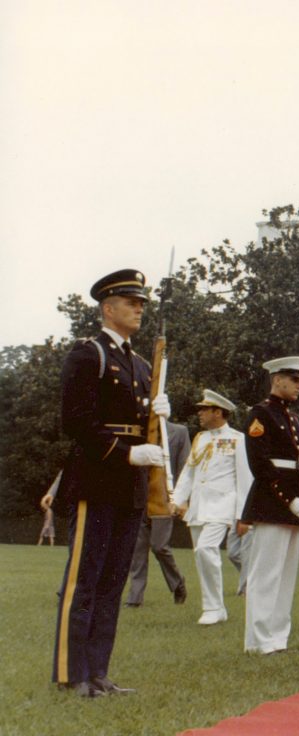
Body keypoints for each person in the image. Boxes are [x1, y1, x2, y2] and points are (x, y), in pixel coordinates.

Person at [52, 269, 171, 697]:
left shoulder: (140, 365)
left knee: (112, 581)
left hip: (129, 485)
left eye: (141, 302)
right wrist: (126, 452)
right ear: (108, 307)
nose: (139, 308)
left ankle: (98, 671)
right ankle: (72, 673)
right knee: (85, 579)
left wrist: (158, 416)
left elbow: (144, 429)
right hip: (98, 479)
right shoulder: (90, 355)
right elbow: (76, 422)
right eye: (130, 302)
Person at [240, 356, 299, 654]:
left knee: (286, 575)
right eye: (294, 379)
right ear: (277, 379)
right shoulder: (261, 414)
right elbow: (261, 465)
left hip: (293, 503)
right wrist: (291, 499)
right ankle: (258, 640)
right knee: (266, 574)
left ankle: (277, 637)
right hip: (273, 503)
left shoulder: (296, 419)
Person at [169, 390, 253, 625]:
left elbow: (245, 479)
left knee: (206, 549)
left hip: (223, 505)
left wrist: (242, 515)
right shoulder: (200, 438)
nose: (200, 414)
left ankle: (215, 607)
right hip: (199, 506)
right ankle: (213, 607)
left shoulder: (238, 439)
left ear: (219, 412)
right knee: (200, 555)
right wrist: (177, 500)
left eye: (204, 409)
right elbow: (189, 472)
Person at [124, 421, 189, 608]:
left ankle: (178, 583)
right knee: (138, 550)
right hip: (139, 498)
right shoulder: (139, 430)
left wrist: (181, 498)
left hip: (163, 499)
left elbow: (184, 467)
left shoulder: (179, 432)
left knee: (160, 547)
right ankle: (135, 598)